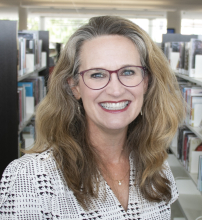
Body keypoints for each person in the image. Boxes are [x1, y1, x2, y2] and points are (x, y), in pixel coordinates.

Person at [0, 16, 184, 219]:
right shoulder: (29, 177)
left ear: (146, 82)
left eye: (128, 72)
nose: (115, 90)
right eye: (97, 74)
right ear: (74, 86)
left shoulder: (156, 166)